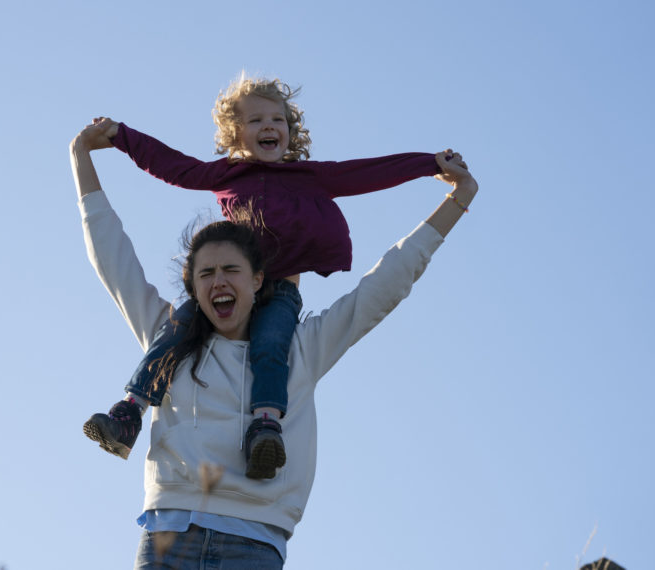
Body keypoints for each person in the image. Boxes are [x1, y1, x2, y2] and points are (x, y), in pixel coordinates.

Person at [71, 119, 478, 568]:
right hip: (170, 536)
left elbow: (386, 283)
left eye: (231, 270)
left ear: (258, 280)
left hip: (254, 546)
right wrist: (82, 158)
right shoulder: (167, 339)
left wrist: (457, 200)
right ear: (193, 287)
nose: (219, 281)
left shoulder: (299, 350)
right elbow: (112, 255)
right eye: (206, 274)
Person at [84, 76, 445, 480]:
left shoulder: (312, 177)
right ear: (235, 133)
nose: (270, 126)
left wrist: (429, 164)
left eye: (278, 119)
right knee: (177, 328)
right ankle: (130, 412)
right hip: (228, 291)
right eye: (256, 120)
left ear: (291, 131)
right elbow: (174, 167)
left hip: (278, 294)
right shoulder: (225, 175)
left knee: (272, 345)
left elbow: (368, 172)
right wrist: (121, 135)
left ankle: (265, 428)